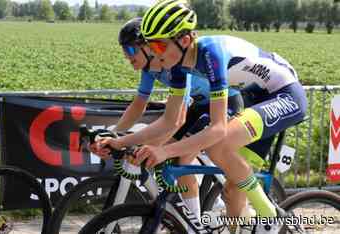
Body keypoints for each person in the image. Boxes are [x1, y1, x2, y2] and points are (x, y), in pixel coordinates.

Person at [128, 0, 306, 233]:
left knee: (218, 144)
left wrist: (163, 151)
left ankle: (271, 217)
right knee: (232, 193)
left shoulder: (211, 53)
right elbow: (170, 121)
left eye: (159, 46)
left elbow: (218, 128)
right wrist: (119, 140)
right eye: (150, 47)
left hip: (285, 94)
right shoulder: (180, 66)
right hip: (255, 96)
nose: (153, 53)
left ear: (184, 41)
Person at [91, 17, 244, 222]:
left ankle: (192, 224)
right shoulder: (149, 69)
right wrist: (115, 134)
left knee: (181, 158)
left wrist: (152, 146)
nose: (128, 58)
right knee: (165, 155)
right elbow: (138, 105)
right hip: (198, 105)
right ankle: (190, 211)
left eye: (130, 51)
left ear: (145, 45)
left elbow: (177, 120)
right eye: (124, 53)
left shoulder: (175, 63)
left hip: (224, 102)